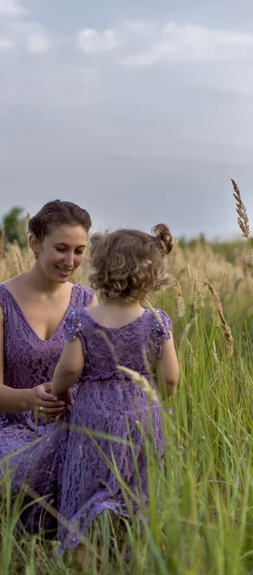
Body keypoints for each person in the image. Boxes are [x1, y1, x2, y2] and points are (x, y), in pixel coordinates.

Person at [0, 199, 98, 531]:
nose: (70, 261)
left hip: (73, 424)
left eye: (79, 250)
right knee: (25, 466)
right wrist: (30, 398)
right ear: (34, 243)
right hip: (13, 426)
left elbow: (95, 377)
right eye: (62, 248)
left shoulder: (88, 302)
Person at [51, 223, 179, 552]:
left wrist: (61, 390)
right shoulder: (156, 321)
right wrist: (155, 400)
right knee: (140, 479)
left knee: (92, 476)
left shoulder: (83, 319)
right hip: (142, 412)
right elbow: (170, 378)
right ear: (152, 275)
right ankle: (135, 541)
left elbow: (69, 369)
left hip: (94, 412)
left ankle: (87, 535)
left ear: (101, 270)